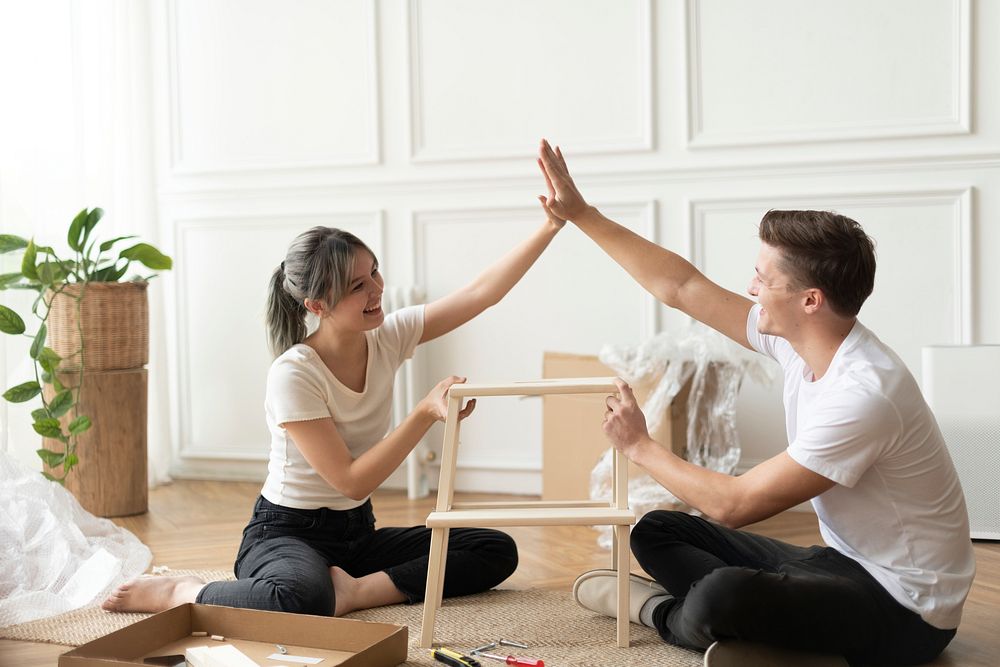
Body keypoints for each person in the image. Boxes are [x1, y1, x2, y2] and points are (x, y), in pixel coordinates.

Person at [536, 138, 975, 666]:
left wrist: (639, 446)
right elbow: (680, 285)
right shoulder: (800, 340)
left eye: (764, 279)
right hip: (843, 566)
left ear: (809, 301)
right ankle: (762, 638)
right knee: (659, 529)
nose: (751, 287)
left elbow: (735, 506)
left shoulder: (864, 395)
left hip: (908, 612)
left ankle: (662, 615)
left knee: (724, 594)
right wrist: (582, 214)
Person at [102, 201, 567, 617]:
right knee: (302, 599)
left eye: (375, 274)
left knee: (493, 548)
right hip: (286, 534)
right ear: (317, 305)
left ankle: (357, 592)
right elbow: (351, 479)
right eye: (357, 286)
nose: (377, 290)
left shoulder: (388, 336)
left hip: (357, 534)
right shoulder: (294, 373)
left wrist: (551, 224)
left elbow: (480, 294)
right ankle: (183, 593)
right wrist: (425, 412)